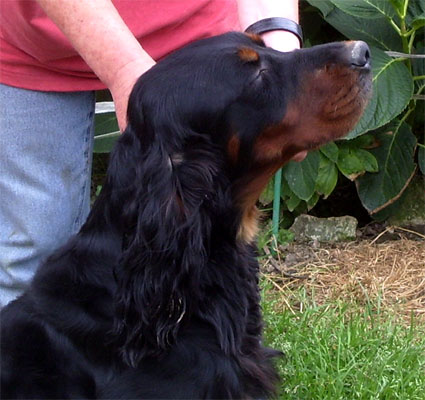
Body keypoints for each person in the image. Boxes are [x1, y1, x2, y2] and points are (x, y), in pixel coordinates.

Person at [0, 0, 301, 307]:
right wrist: (125, 71)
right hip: (35, 42)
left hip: (197, 46)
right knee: (30, 249)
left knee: (212, 242)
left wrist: (279, 40)